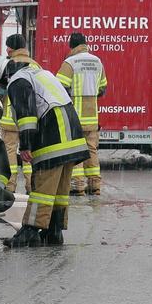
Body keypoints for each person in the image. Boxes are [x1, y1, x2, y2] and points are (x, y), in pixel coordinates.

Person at [0, 54, 89, 247]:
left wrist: (26, 145)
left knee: (43, 187)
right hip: (71, 130)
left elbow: (27, 116)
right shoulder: (35, 73)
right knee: (59, 188)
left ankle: (30, 231)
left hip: (54, 132)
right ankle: (54, 230)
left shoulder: (17, 82)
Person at [56, 32, 108, 195]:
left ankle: (77, 186)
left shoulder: (70, 62)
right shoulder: (97, 61)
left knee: (75, 150)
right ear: (85, 44)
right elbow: (103, 88)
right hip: (92, 116)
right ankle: (94, 185)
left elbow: (59, 87)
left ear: (71, 46)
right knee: (91, 150)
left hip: (74, 116)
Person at [0, 33, 41, 193]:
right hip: (29, 120)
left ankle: (10, 186)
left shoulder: (7, 65)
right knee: (29, 153)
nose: (7, 49)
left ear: (12, 48)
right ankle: (31, 186)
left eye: (8, 46)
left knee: (9, 153)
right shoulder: (35, 66)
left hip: (10, 118)